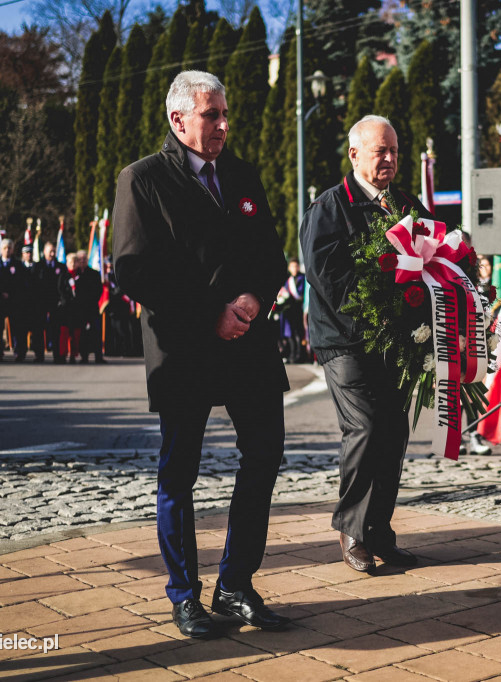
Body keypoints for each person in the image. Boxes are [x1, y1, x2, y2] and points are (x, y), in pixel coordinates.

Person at [113, 70, 290, 637]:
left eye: (224, 114)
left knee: (264, 454)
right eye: (211, 115)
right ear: (178, 119)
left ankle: (235, 584)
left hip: (249, 343)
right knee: (179, 472)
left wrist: (251, 302)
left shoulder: (241, 175)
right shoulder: (141, 180)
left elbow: (270, 252)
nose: (223, 125)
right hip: (185, 345)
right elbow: (135, 269)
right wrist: (212, 309)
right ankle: (184, 595)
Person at [301, 114, 428, 574]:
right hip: (345, 341)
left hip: (397, 344)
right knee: (366, 428)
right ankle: (351, 530)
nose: (390, 159)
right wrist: (380, 317)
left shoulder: (408, 207)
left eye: (394, 150)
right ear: (354, 154)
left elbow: (435, 262)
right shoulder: (330, 208)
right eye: (381, 151)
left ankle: (379, 532)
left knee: (393, 433)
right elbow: (328, 276)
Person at [34, 241, 68, 363]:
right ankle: (39, 355)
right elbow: (34, 285)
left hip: (56, 303)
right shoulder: (37, 267)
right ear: (44, 252)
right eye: (50, 251)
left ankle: (57, 355)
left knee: (56, 330)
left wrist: (62, 301)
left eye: (54, 251)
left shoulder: (61, 267)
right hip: (41, 303)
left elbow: (64, 285)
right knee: (39, 329)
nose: (52, 254)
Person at [277, 258, 306, 363]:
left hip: (298, 310)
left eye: (296, 266)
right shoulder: (288, 280)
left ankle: (299, 355)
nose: (294, 268)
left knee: (298, 333)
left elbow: (300, 294)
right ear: (289, 268)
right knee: (290, 334)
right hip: (288, 311)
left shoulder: (302, 278)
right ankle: (292, 355)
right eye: (292, 266)